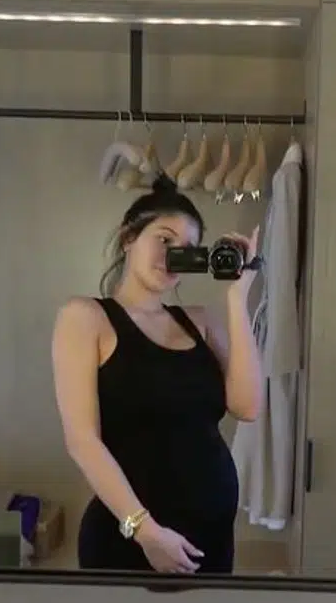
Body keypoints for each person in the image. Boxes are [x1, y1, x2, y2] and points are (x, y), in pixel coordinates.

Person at [51, 174, 264, 575]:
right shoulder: (85, 318)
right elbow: (82, 440)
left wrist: (238, 297)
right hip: (130, 539)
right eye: (164, 240)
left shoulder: (200, 322)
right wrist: (145, 531)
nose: (173, 255)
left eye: (187, 249)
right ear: (128, 238)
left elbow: (248, 406)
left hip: (211, 539)